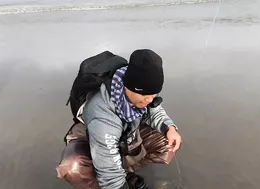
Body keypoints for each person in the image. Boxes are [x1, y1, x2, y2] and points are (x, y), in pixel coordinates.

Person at [57, 49, 182, 189]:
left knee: (168, 142)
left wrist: (170, 128)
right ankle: (109, 180)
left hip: (125, 131)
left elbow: (153, 109)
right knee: (74, 169)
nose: (149, 99)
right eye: (145, 95)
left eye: (154, 94)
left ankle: (126, 172)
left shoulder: (141, 94)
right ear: (128, 87)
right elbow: (110, 177)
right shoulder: (102, 118)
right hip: (95, 136)